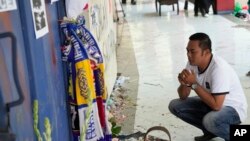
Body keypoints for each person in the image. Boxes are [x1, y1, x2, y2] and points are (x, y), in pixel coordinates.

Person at [168, 32, 248, 141]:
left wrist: (194, 83)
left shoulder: (218, 68)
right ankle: (210, 131)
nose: (188, 55)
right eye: (187, 51)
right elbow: (183, 96)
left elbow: (217, 106)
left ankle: (241, 135)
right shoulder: (192, 63)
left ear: (206, 52)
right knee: (175, 105)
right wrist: (184, 83)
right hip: (211, 102)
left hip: (233, 108)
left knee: (210, 120)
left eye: (193, 51)